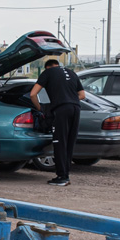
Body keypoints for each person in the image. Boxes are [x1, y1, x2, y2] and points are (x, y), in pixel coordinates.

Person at [30, 58, 85, 186]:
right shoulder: (72, 73)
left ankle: (61, 177)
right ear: (58, 65)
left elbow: (33, 94)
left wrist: (42, 109)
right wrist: (69, 98)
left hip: (61, 110)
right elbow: (82, 95)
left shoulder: (48, 73)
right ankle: (66, 175)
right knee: (70, 142)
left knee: (60, 142)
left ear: (47, 67)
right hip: (76, 108)